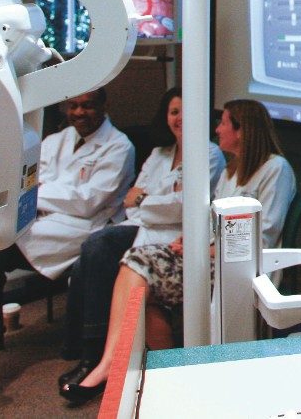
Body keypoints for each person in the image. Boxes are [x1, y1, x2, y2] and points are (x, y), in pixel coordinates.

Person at [60, 99, 295, 404]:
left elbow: (263, 235)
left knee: (137, 264)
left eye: (223, 123)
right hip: (210, 258)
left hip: (238, 268)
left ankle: (113, 365)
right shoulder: (232, 171)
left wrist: (205, 249)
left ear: (242, 130)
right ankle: (162, 372)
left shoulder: (276, 169)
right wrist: (191, 240)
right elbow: (211, 221)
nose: (217, 130)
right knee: (140, 280)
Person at [0, 89, 134, 410]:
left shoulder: (119, 146)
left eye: (88, 105)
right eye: (73, 105)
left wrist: (44, 192)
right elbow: (30, 183)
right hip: (42, 221)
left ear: (105, 104)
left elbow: (89, 202)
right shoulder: (55, 140)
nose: (79, 112)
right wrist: (52, 192)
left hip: (84, 230)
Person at [57, 87, 225, 391]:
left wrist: (146, 200)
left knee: (98, 245)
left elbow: (183, 207)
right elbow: (130, 201)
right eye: (174, 112)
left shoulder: (209, 154)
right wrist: (153, 202)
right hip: (142, 226)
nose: (179, 118)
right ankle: (90, 352)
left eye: (185, 111)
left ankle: (94, 356)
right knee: (89, 259)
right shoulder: (159, 154)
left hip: (173, 235)